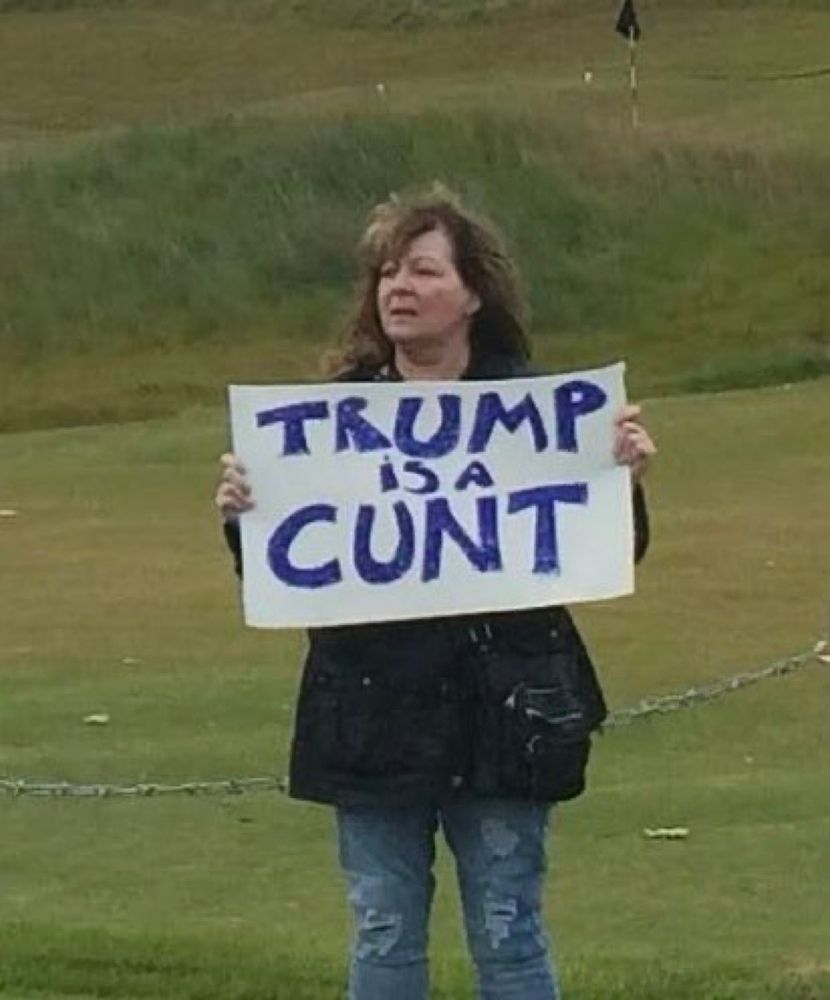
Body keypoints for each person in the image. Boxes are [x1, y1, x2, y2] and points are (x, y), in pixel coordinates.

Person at [215, 189, 656, 1000]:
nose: (398, 288)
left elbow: (609, 549)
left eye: (422, 269)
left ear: (473, 292)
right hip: (372, 715)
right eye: (386, 272)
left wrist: (618, 478)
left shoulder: (539, 414)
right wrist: (248, 514)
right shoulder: (328, 423)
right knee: (382, 931)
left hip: (506, 714)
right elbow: (288, 572)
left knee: (510, 931)